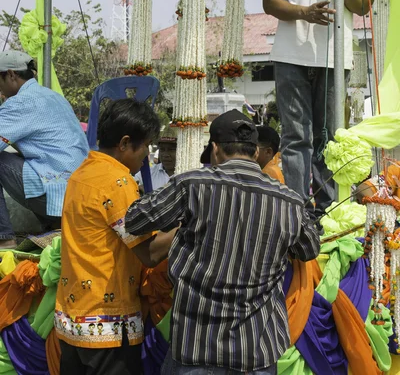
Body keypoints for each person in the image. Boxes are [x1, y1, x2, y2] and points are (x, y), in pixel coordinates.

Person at [125, 109, 320, 375]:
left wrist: (184, 224)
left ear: (215, 149)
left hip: (196, 348)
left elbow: (135, 219)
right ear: (254, 152)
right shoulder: (289, 201)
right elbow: (309, 249)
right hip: (257, 352)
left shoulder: (191, 185)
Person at [262, 0, 374, 221]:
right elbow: (269, 2)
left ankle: (327, 210)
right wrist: (304, 13)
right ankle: (298, 210)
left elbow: (363, 5)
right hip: (290, 54)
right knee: (297, 137)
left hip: (334, 55)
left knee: (329, 136)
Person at [55, 99, 176, 375]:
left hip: (72, 321)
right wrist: (187, 221)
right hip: (108, 325)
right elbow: (149, 252)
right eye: (145, 146)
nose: (146, 155)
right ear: (124, 143)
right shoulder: (117, 182)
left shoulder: (81, 174)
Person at [0, 50, 89, 248]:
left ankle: (4, 239)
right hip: (80, 189)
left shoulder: (20, 102)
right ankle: (53, 227)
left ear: (12, 74)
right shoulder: (53, 97)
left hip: (58, 190)